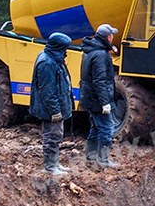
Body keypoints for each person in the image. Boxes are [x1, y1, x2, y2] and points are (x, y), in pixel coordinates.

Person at [30, 32, 74, 175]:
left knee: (56, 135)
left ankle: (55, 163)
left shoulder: (54, 59)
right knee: (51, 136)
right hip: (50, 109)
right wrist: (55, 110)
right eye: (64, 48)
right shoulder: (47, 63)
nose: (66, 51)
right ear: (58, 47)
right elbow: (47, 91)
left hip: (56, 107)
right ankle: (50, 167)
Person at [81, 23, 119, 168]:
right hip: (97, 99)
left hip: (89, 97)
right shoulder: (101, 54)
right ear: (107, 37)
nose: (113, 37)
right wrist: (105, 102)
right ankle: (102, 160)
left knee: (96, 127)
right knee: (107, 128)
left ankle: (91, 156)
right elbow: (100, 80)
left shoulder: (90, 50)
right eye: (112, 35)